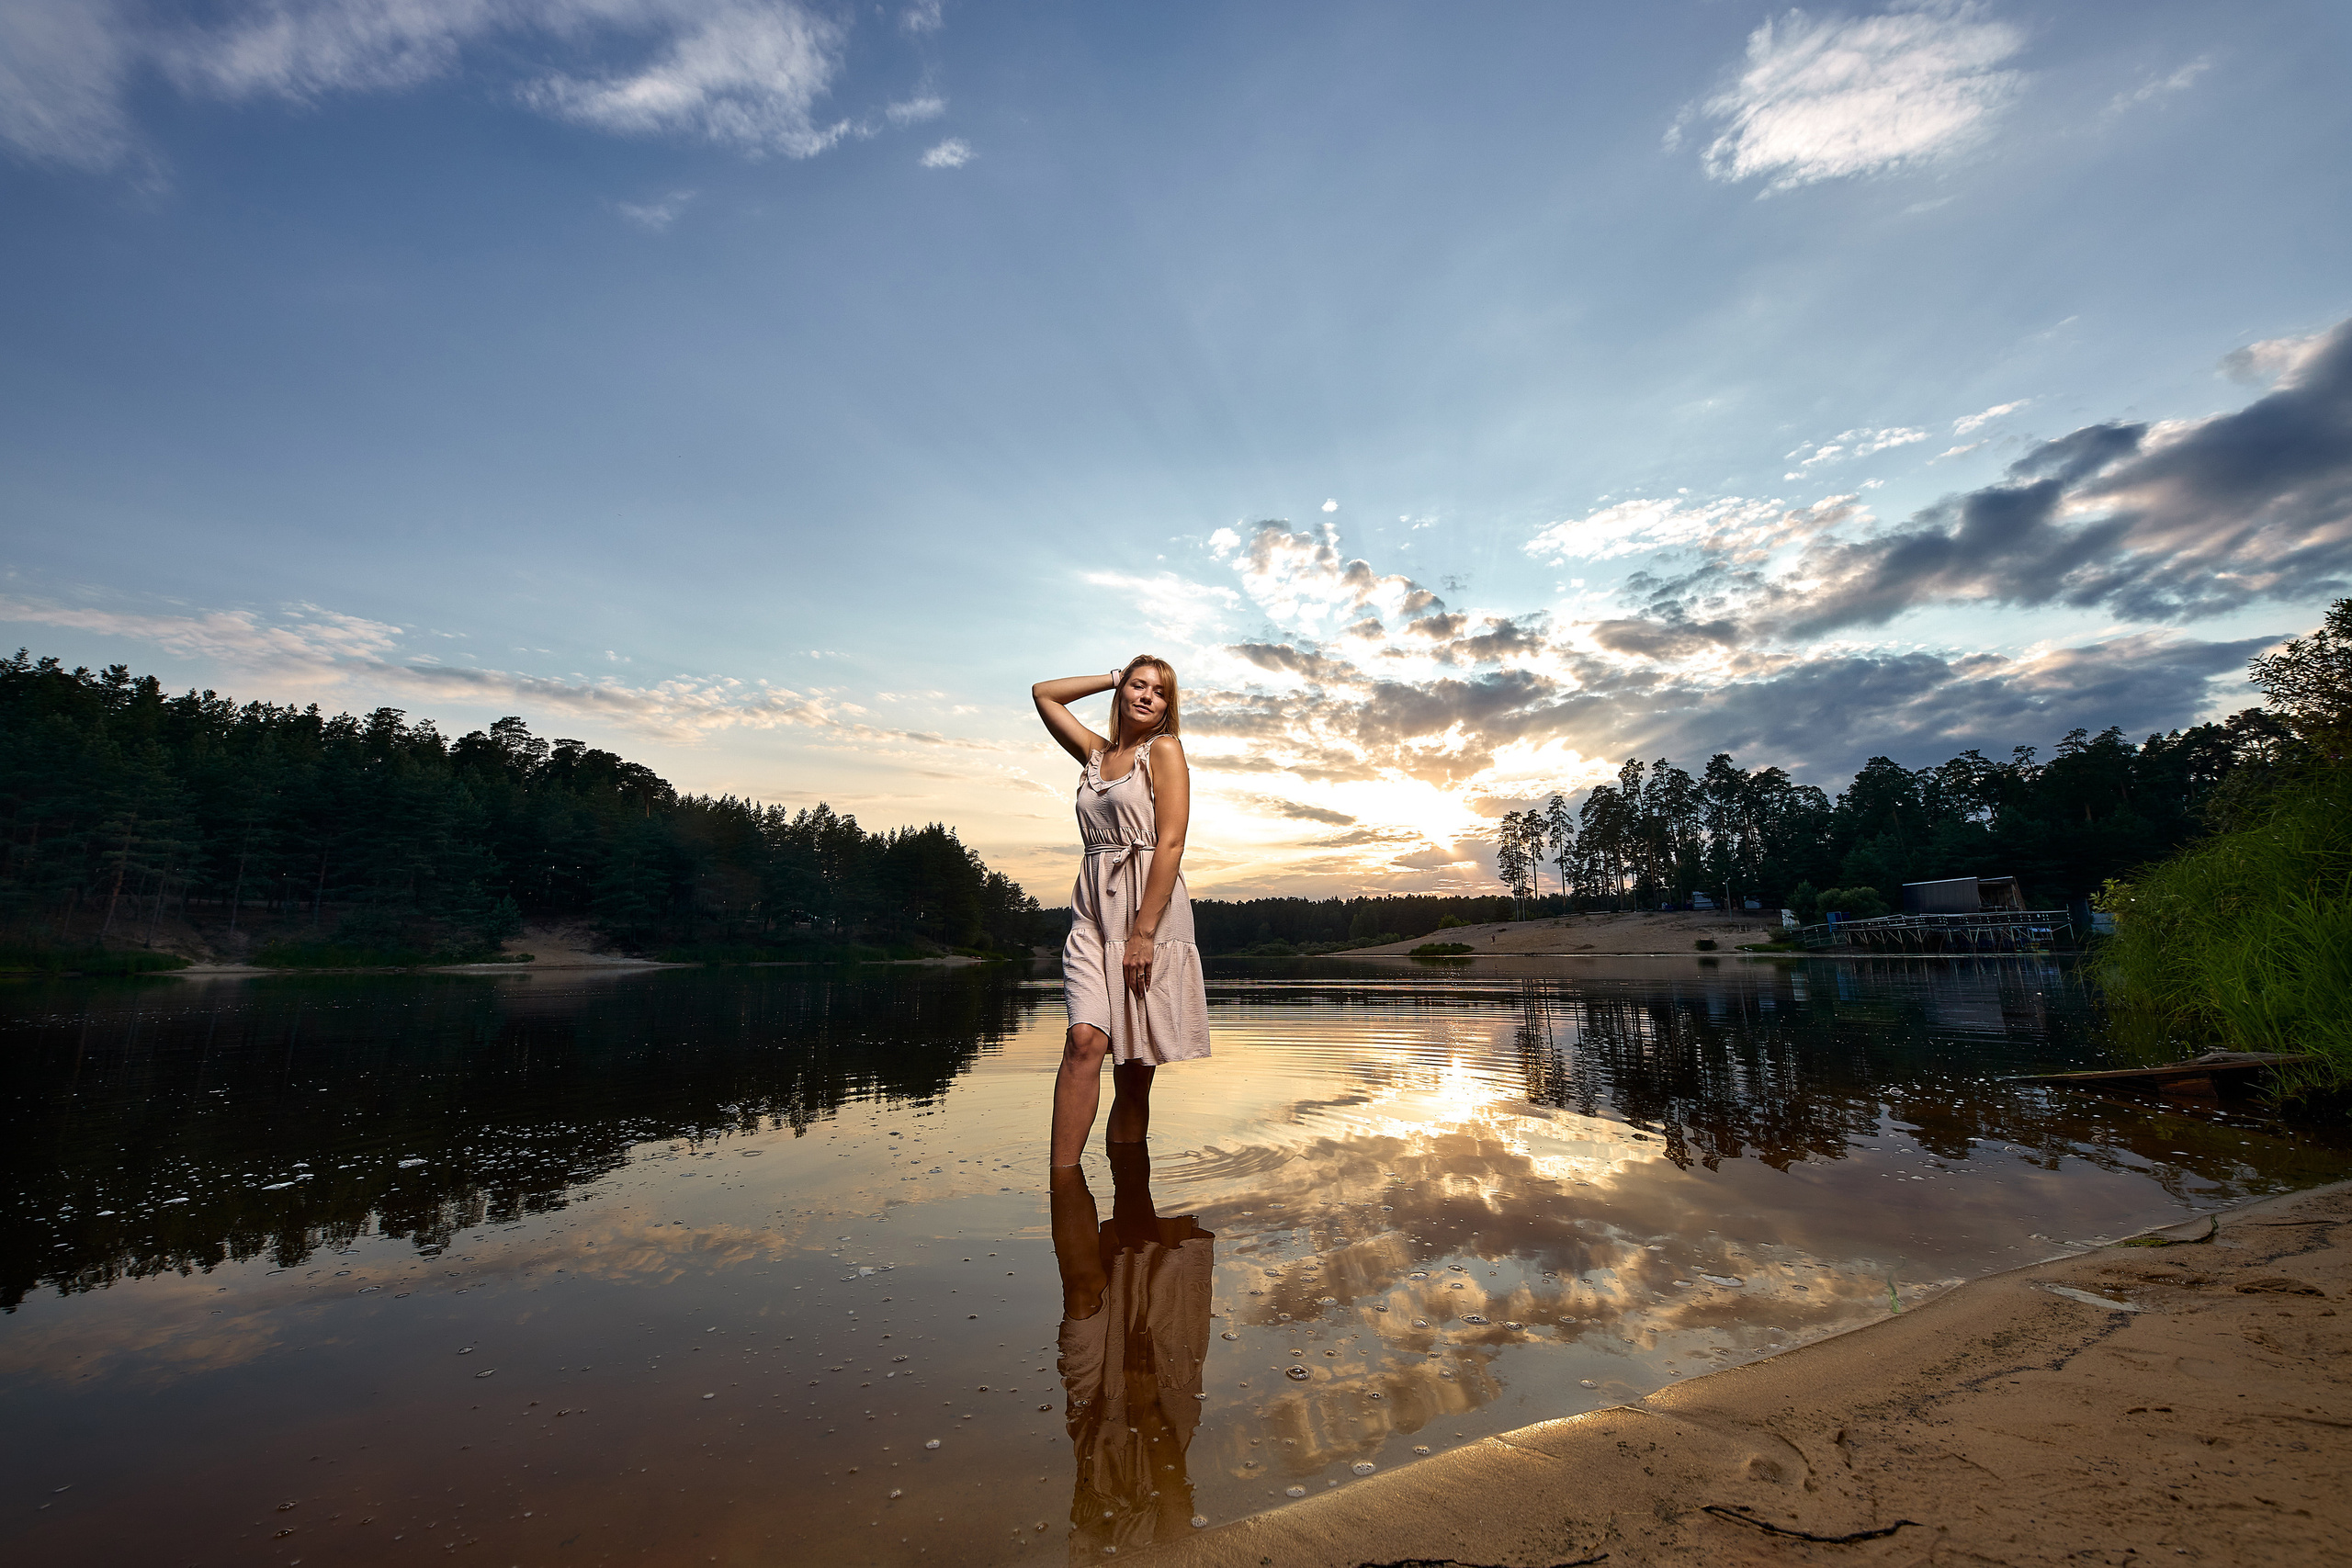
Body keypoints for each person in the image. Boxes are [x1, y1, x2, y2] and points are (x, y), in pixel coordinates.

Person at [1031, 657, 1211, 1166]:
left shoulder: (1165, 751)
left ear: (1167, 707)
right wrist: (1113, 675)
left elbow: (1171, 842)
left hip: (1147, 911)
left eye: (1159, 691)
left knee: (1134, 1067)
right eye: (1138, 685)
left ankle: (1131, 1204)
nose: (1146, 695)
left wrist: (1143, 934)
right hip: (1092, 913)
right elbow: (1045, 693)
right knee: (1084, 1040)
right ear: (1122, 692)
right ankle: (1062, 1180)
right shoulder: (1095, 754)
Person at [1048, 1148, 1215, 1558]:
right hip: (1159, 1413)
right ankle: (1127, 1142)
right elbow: (1176, 1498)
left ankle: (1064, 1168)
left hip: (1095, 1429)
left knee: (1083, 1293)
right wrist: (1146, 1407)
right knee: (1147, 1247)